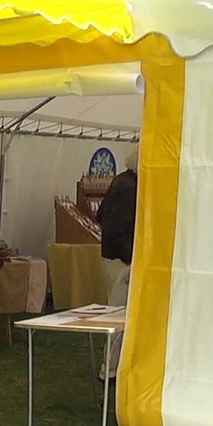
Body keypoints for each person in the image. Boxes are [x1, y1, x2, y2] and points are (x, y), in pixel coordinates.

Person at [95, 144, 138, 381]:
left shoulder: (122, 180)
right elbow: (115, 228)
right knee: (120, 316)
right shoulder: (130, 188)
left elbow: (100, 216)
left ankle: (112, 368)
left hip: (113, 256)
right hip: (121, 260)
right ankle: (110, 370)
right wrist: (132, 259)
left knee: (119, 314)